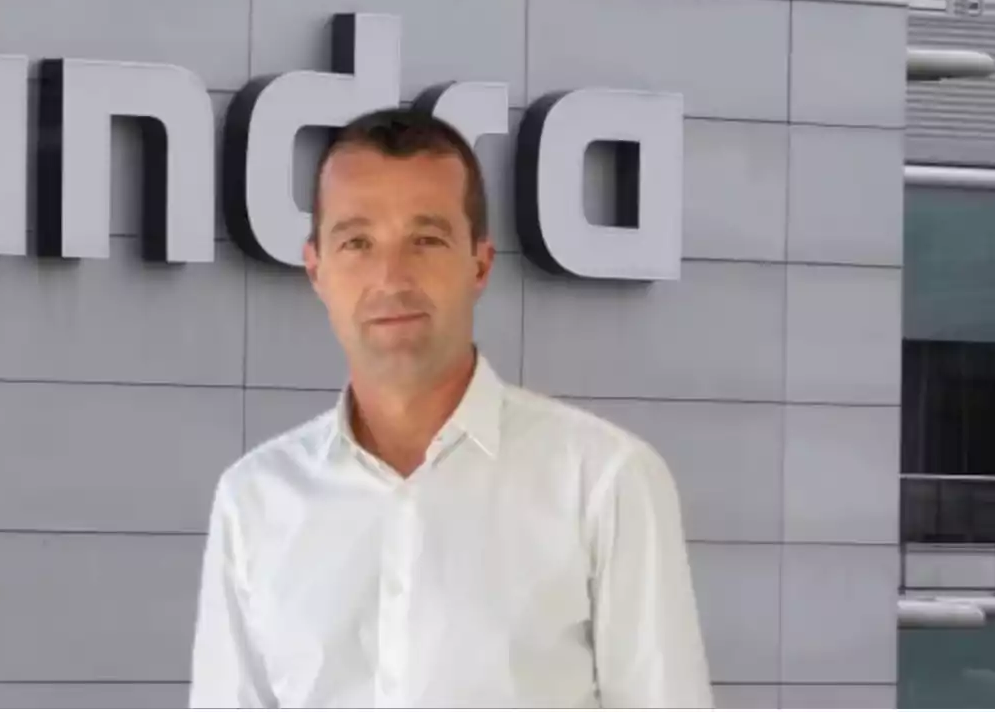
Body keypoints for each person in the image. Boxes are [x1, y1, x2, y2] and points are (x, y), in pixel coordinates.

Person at [189, 107, 712, 709]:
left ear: (480, 265)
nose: (392, 275)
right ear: (317, 270)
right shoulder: (254, 499)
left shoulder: (603, 481)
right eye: (357, 241)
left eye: (427, 239)